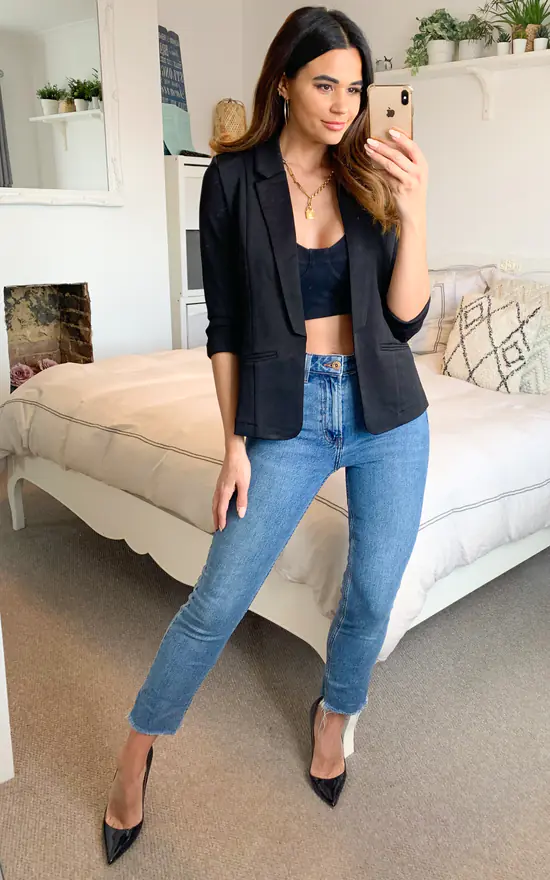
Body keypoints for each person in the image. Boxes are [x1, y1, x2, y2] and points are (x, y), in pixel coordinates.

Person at [103, 5, 431, 865]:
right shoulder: (232, 178)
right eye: (325, 83)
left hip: (389, 414)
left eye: (355, 88)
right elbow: (225, 326)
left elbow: (406, 319)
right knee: (216, 601)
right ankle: (138, 748)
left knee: (372, 594)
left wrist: (416, 205)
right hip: (289, 413)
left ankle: (335, 713)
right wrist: (234, 444)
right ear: (283, 82)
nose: (343, 104)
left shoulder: (372, 173)